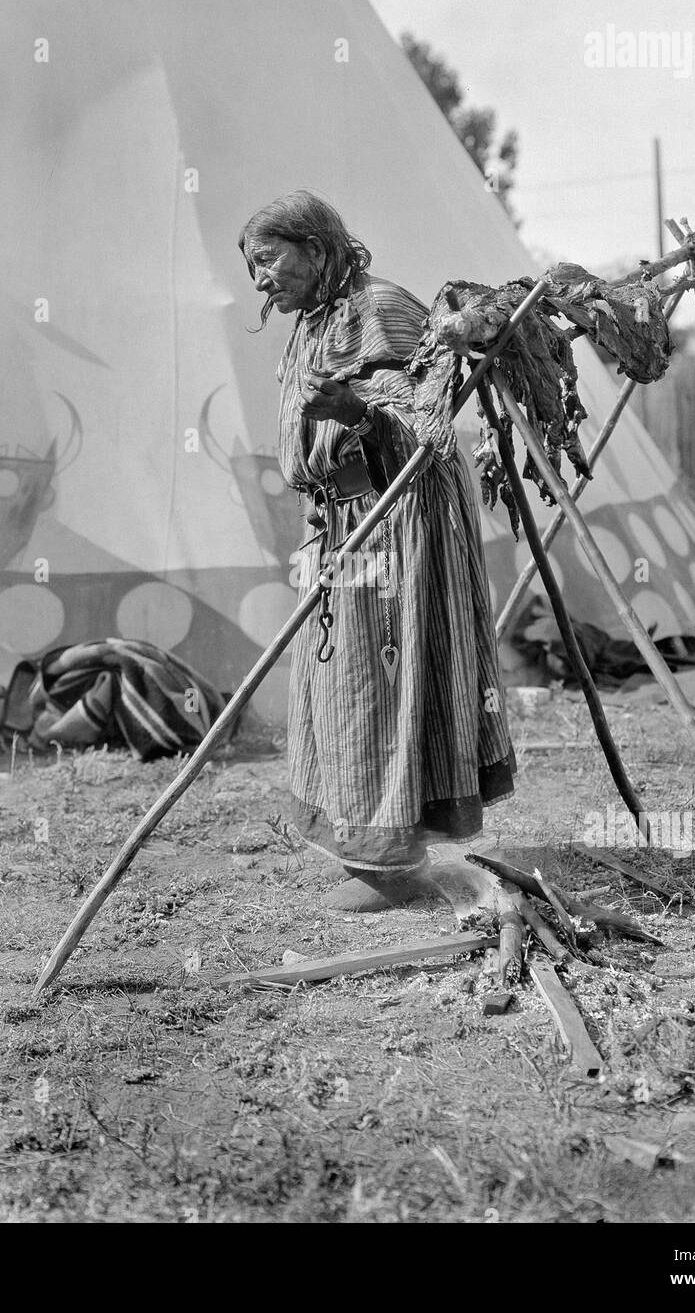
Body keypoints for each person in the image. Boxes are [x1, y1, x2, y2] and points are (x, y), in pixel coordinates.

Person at [238, 191, 515, 911]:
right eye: (251, 268)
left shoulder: (382, 307)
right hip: (339, 524)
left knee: (380, 687)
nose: (259, 280)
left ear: (317, 245)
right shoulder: (313, 323)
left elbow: (426, 419)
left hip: (394, 521)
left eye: (267, 259)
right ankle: (371, 849)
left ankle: (391, 866)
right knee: (340, 688)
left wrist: (359, 414)